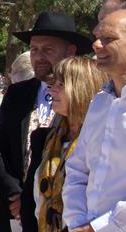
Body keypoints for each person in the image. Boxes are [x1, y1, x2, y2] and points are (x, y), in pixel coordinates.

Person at [0, 11, 93, 232]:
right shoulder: (17, 94)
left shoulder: (87, 101)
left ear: (71, 51)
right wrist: (16, 194)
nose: (39, 57)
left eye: (48, 50)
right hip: (17, 213)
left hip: (66, 214)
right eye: (34, 50)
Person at [63, 8, 126, 232]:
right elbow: (77, 169)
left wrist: (99, 228)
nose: (96, 45)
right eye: (97, 37)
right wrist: (77, 222)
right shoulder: (100, 103)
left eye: (108, 39)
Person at [33, 57, 107, 231]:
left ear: (83, 88)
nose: (51, 92)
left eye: (60, 85)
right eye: (52, 85)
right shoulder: (54, 136)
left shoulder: (100, 138)